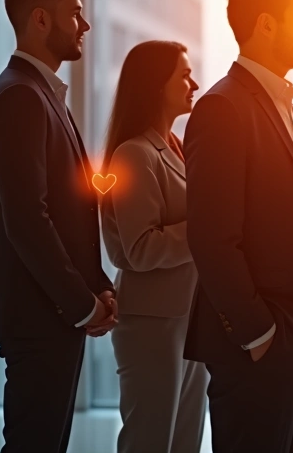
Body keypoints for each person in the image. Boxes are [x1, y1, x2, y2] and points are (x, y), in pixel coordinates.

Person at [183, 0, 293, 452]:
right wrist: (258, 332)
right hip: (263, 335)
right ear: (267, 25)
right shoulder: (221, 108)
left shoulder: (284, 105)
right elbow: (212, 238)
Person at [0, 0, 116, 453]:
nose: (85, 24)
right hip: (40, 315)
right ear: (40, 20)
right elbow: (28, 222)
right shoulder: (20, 97)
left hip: (50, 311)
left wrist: (96, 286)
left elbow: (66, 208)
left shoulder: (40, 93)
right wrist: (81, 305)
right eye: (75, 13)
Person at [99, 41, 206, 453]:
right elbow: (140, 248)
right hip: (153, 324)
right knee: (150, 440)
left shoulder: (176, 149)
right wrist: (205, 229)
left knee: (185, 442)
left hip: (187, 319)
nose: (193, 83)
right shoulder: (134, 155)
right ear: (155, 85)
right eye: (183, 75)